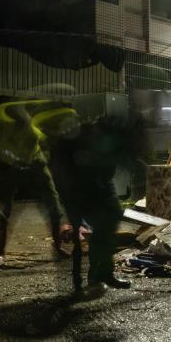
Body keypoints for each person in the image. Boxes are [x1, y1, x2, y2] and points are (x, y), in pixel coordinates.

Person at [49, 110, 148, 295]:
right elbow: (82, 162)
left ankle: (103, 273)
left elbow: (129, 159)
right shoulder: (96, 135)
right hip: (77, 183)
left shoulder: (120, 135)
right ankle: (84, 279)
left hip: (100, 181)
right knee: (91, 227)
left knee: (112, 218)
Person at [0, 99, 71, 267]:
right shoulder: (2, 132)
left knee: (53, 204)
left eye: (25, 121)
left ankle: (58, 247)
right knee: (5, 210)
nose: (24, 123)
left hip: (36, 164)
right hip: (11, 166)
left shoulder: (32, 132)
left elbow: (43, 141)